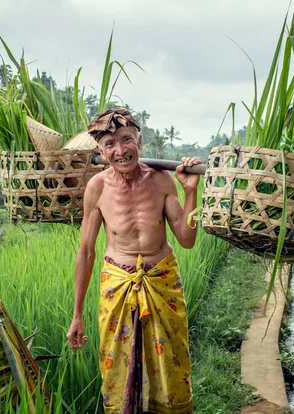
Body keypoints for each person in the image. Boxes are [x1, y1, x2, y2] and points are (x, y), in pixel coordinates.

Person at [66, 108, 201, 414]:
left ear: (140, 142)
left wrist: (190, 192)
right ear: (101, 151)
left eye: (126, 140)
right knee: (118, 364)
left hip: (161, 280)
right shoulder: (97, 188)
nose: (120, 150)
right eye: (110, 144)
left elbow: (186, 239)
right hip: (118, 285)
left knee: (171, 362)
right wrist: (76, 314)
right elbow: (86, 251)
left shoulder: (161, 180)